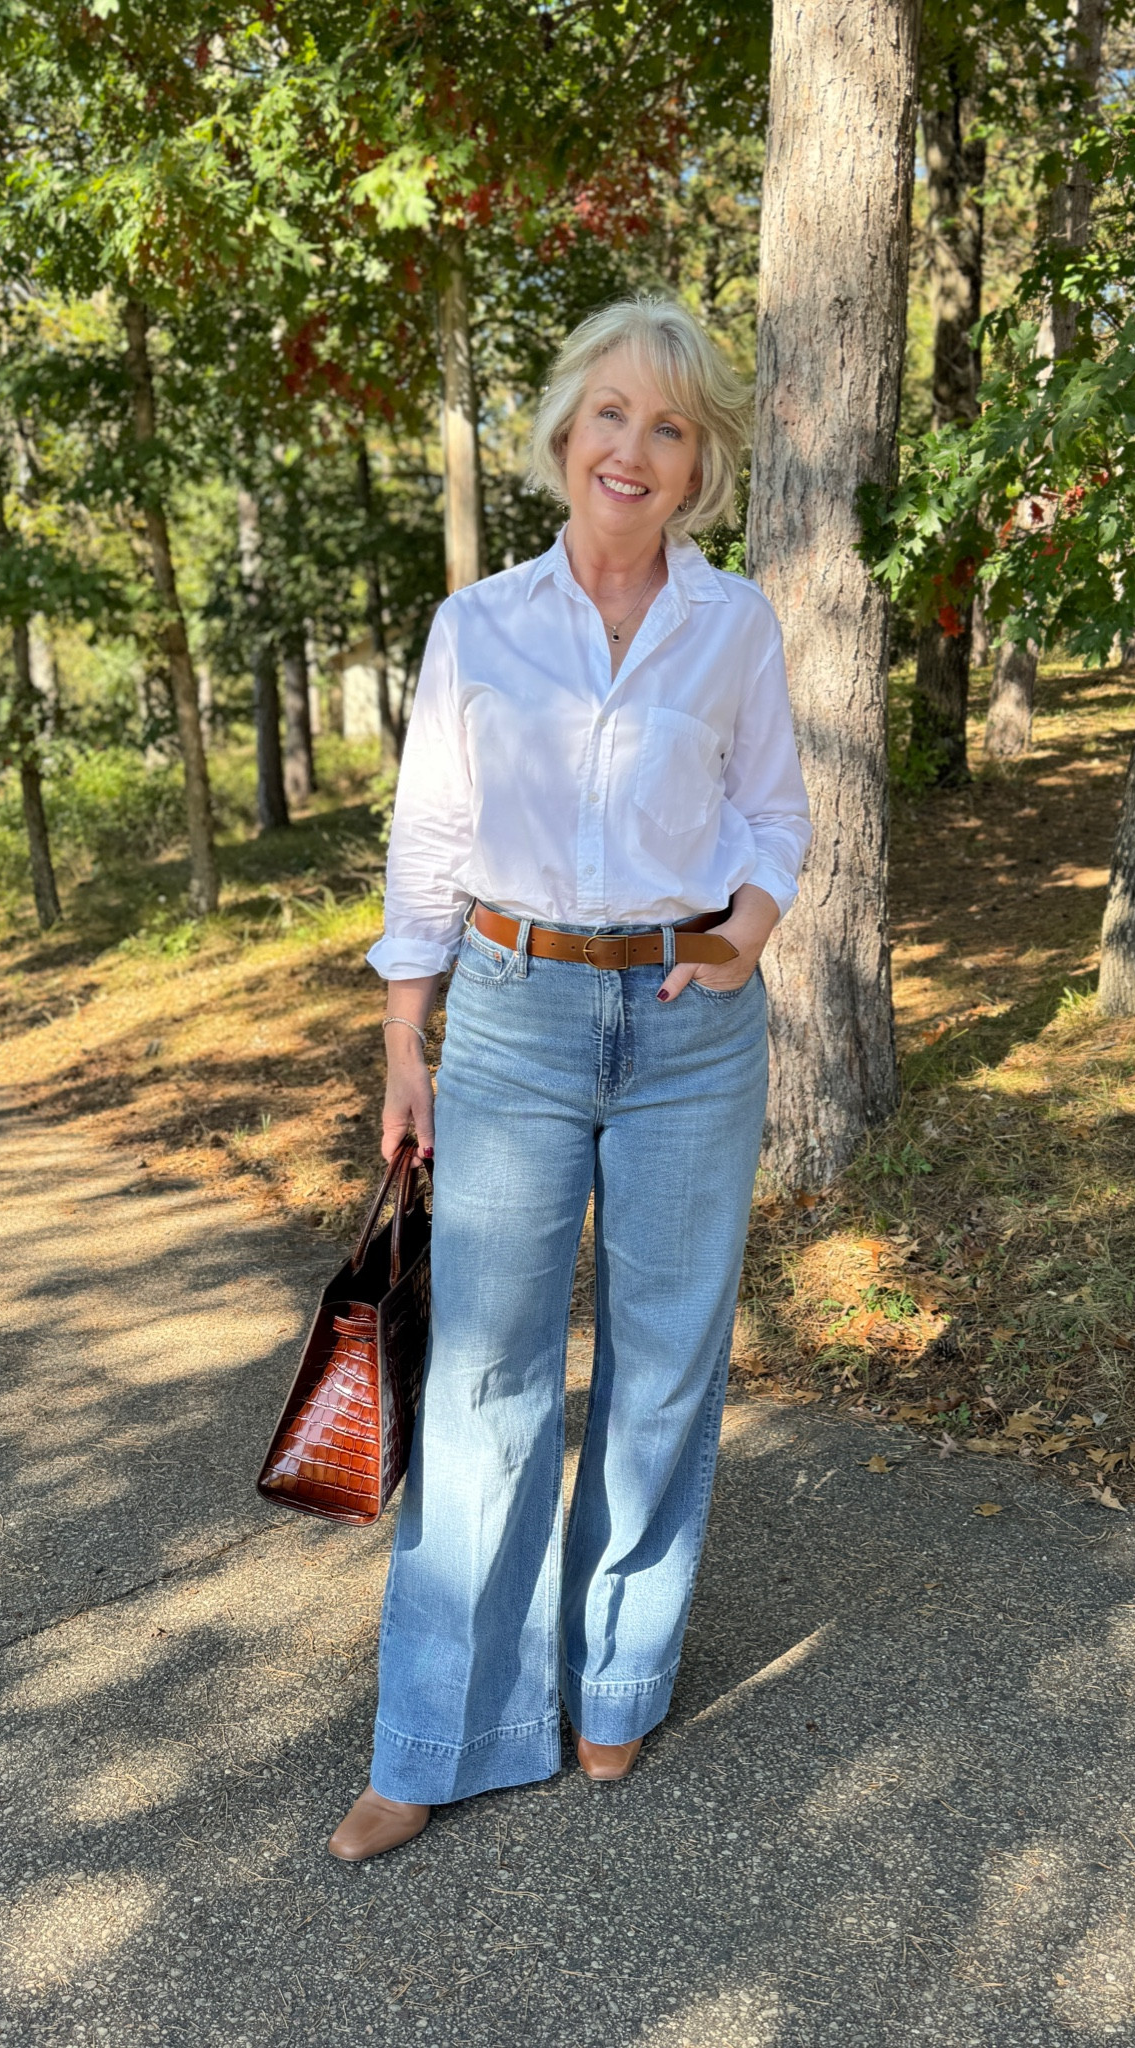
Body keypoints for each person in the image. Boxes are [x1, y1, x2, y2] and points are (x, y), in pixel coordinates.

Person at [328, 296, 812, 1862]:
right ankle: (438, 1736)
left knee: (664, 1367)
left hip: (689, 1030)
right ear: (563, 433)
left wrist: (744, 934)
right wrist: (405, 1043)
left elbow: (776, 815)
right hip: (516, 1016)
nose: (634, 448)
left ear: (699, 464)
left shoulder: (735, 626)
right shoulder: (479, 626)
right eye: (612, 413)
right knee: (486, 1380)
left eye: (669, 426)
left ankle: (617, 1681)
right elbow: (429, 840)